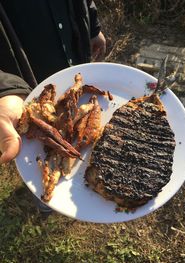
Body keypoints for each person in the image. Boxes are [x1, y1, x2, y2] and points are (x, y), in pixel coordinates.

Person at [0, 0, 106, 165]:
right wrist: (5, 89)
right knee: (43, 156)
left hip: (74, 58)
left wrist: (92, 27)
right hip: (27, 87)